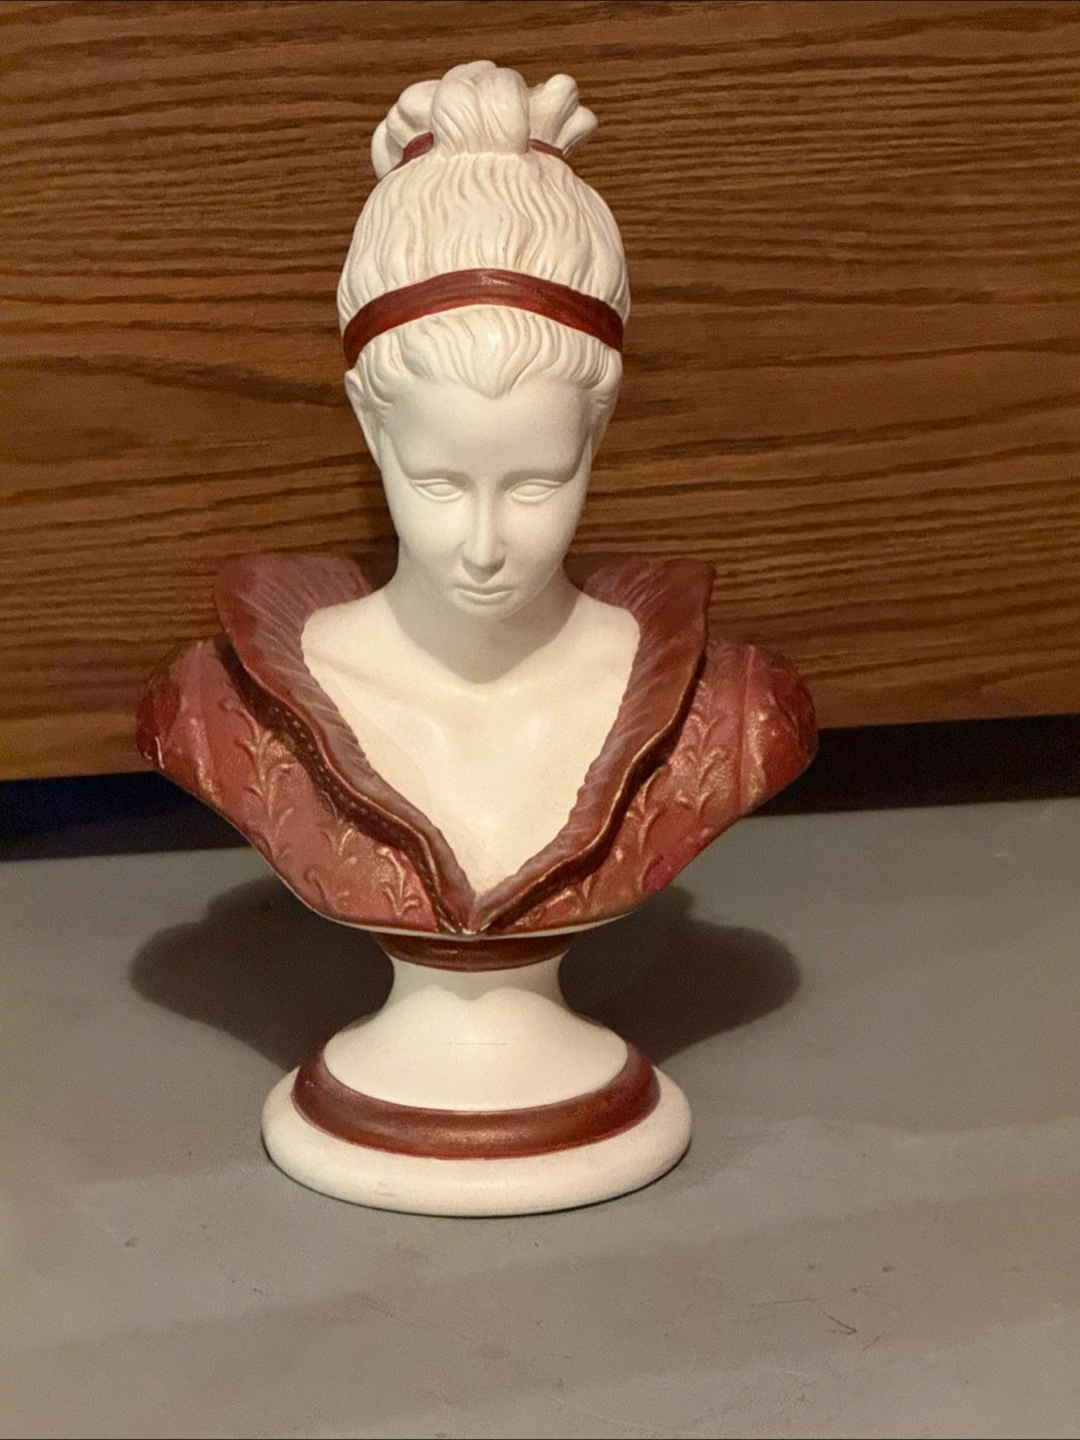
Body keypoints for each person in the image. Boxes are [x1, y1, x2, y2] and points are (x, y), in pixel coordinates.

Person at [138, 62, 816, 941]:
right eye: (439, 483)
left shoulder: (733, 718)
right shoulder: (217, 713)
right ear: (372, 426)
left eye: (536, 483)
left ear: (598, 429)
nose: (485, 546)